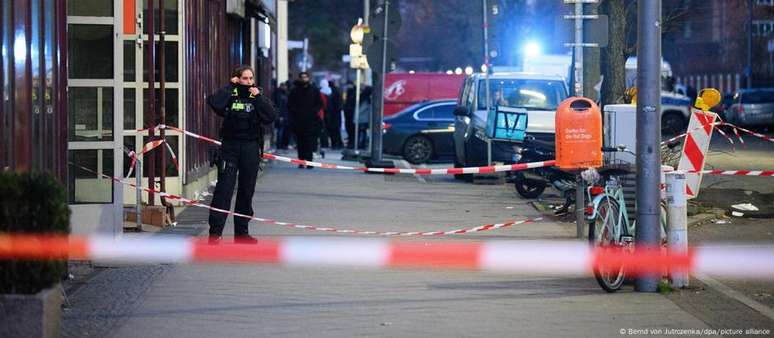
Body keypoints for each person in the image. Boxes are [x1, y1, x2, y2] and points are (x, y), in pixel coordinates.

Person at [206, 65, 277, 244]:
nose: (248, 82)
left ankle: (242, 233)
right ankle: (215, 233)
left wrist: (258, 96)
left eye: (250, 78)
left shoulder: (257, 97)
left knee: (246, 191)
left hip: (250, 148)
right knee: (224, 191)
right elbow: (214, 103)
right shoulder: (230, 95)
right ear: (237, 79)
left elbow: (271, 116)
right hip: (230, 147)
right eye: (244, 78)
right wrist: (231, 87)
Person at [288, 72, 323, 168]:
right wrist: (295, 113)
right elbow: (290, 104)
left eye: (305, 77)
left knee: (309, 142)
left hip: (311, 121)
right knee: (300, 143)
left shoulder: (314, 90)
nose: (304, 79)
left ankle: (309, 162)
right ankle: (301, 161)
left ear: (308, 78)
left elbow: (320, 103)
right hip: (298, 121)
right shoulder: (295, 90)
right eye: (302, 77)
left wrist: (314, 112)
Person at [325, 80, 344, 149]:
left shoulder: (332, 92)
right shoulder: (336, 91)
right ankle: (337, 143)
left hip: (333, 114)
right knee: (336, 130)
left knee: (333, 130)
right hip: (336, 113)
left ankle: (335, 143)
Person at [272, 81, 290, 149]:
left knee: (281, 131)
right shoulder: (280, 95)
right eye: (284, 86)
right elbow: (279, 106)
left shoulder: (281, 94)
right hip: (281, 115)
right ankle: (279, 145)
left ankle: (280, 145)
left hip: (283, 115)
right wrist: (280, 116)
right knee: (280, 131)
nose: (285, 87)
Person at [343, 81, 356, 148]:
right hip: (349, 114)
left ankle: (351, 142)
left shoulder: (352, 92)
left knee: (351, 129)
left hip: (350, 114)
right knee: (350, 128)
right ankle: (351, 141)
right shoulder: (350, 92)